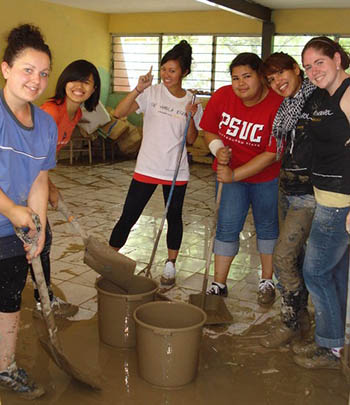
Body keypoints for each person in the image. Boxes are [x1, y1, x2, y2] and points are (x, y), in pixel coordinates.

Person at [109, 40, 201, 286]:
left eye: (172, 70)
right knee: (129, 215)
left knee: (174, 217)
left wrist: (191, 116)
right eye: (164, 69)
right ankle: (110, 259)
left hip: (176, 171)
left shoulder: (191, 100)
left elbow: (191, 139)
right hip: (147, 168)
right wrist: (138, 89)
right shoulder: (151, 93)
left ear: (184, 72)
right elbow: (118, 113)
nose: (166, 74)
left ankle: (170, 265)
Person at [0, 24, 57, 399]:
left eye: (43, 73)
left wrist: (36, 225)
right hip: (9, 217)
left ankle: (5, 366)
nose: (36, 81)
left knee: (8, 299)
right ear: (5, 68)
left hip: (11, 232)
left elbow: (40, 179)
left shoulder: (46, 125)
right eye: (27, 70)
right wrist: (12, 210)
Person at [200, 53, 283, 305]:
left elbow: (272, 153)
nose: (240, 84)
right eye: (235, 78)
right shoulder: (223, 96)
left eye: (247, 76)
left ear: (261, 76)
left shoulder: (278, 104)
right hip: (229, 176)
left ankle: (266, 280)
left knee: (267, 226)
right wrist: (218, 150)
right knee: (226, 226)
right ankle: (219, 284)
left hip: (265, 177)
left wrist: (235, 173)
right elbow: (209, 129)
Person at [292, 37, 350, 369]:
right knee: (335, 272)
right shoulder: (321, 95)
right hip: (326, 194)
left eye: (320, 63)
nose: (314, 71)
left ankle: (328, 348)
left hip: (340, 200)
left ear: (338, 59)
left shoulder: (347, 92)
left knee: (314, 272)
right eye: (308, 66)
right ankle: (337, 341)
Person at [30, 59, 101, 318]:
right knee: (40, 239)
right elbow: (31, 158)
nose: (79, 86)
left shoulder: (76, 114)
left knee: (38, 239)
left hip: (36, 179)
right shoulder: (51, 112)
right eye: (75, 79)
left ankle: (43, 296)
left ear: (94, 89)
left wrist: (49, 186)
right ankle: (44, 299)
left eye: (87, 82)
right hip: (19, 178)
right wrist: (49, 187)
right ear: (64, 81)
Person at [259, 53, 318, 348]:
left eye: (281, 74)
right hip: (288, 189)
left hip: (312, 194)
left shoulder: (319, 99)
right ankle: (302, 321)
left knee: (282, 256)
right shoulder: (286, 108)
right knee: (296, 258)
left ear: (296, 69)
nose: (277, 83)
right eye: (271, 80)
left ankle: (293, 322)